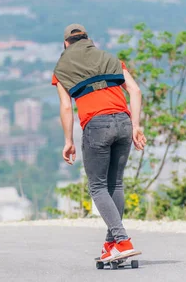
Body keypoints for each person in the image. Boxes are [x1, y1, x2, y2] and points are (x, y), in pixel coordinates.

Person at [52, 23, 146, 261]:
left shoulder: (62, 67)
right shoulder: (109, 58)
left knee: (97, 187)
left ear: (65, 44)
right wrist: (136, 126)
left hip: (97, 126)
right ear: (88, 39)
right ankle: (110, 244)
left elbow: (66, 106)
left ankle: (122, 241)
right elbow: (134, 91)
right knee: (116, 184)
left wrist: (68, 140)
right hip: (124, 122)